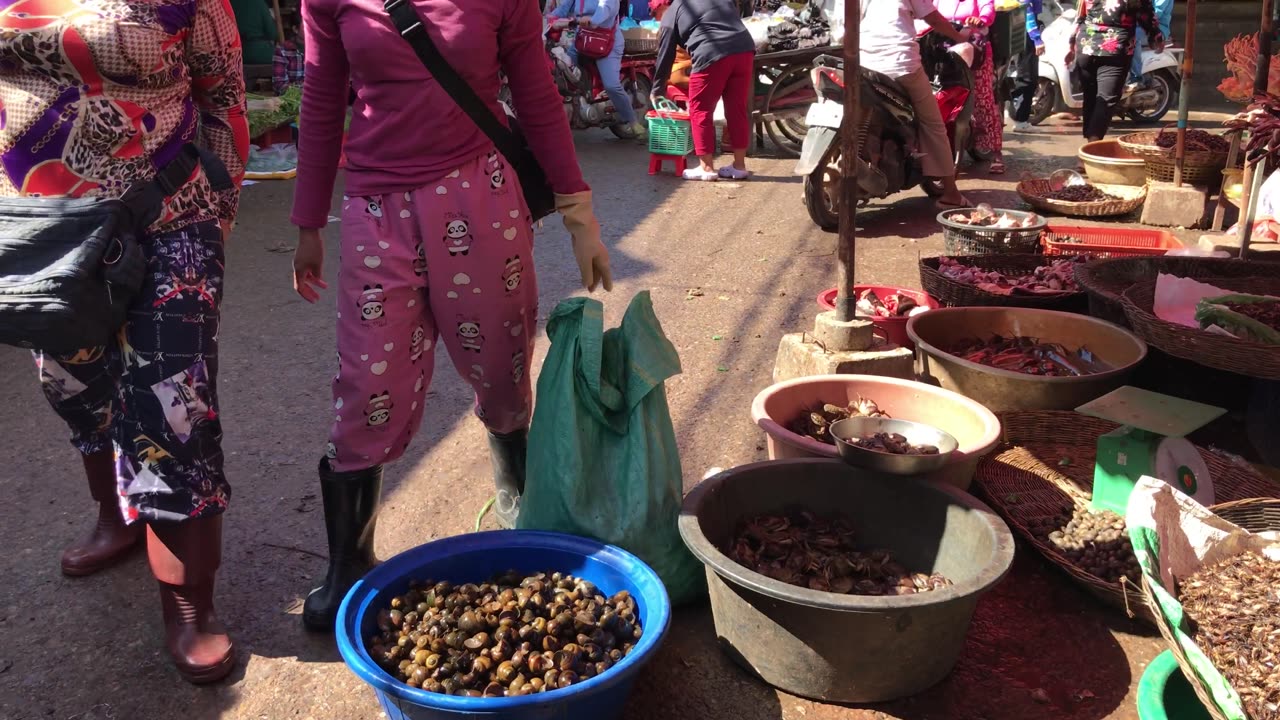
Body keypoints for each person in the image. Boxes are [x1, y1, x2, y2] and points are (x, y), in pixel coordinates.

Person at [292, 0, 613, 633]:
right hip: (375, 207)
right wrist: (307, 223)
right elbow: (322, 98)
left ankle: (518, 508)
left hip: (481, 192)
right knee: (366, 384)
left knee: (502, 362)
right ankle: (348, 565)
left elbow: (536, 92)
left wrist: (580, 214)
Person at [0, 0, 248, 684]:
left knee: (171, 402)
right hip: (39, 229)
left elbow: (222, 94)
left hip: (166, 216)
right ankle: (118, 517)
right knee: (72, 383)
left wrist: (220, 210)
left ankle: (188, 599)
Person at [860, 0, 972, 207]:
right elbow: (934, 18)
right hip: (901, 64)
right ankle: (951, 195)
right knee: (933, 124)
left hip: (863, 63)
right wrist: (960, 36)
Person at [652, 0, 756, 180]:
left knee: (700, 109)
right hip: (744, 49)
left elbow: (665, 54)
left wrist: (657, 89)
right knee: (737, 109)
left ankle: (706, 168)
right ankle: (739, 166)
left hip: (711, 52)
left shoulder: (673, 11)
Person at [1067, 0, 1162, 142]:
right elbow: (1147, 17)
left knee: (1091, 98)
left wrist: (1071, 44)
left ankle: (1089, 147)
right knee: (1106, 99)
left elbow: (1080, 16)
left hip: (1086, 45)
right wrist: (1157, 38)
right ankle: (1092, 147)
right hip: (1115, 49)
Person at [549, 0, 645, 137]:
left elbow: (604, 9)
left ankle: (633, 122)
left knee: (611, 86)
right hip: (583, 39)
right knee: (563, 68)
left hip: (606, 43)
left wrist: (592, 20)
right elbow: (563, 9)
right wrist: (545, 19)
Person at [936, 0, 1004, 174]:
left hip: (976, 51)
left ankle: (996, 153)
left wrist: (980, 20)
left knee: (983, 101)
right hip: (944, 53)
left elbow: (988, 9)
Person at [1011, 0, 1046, 131]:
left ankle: (1020, 118)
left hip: (1020, 30)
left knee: (1027, 77)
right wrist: (1036, 38)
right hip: (1025, 33)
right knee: (1027, 78)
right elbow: (1026, 10)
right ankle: (1021, 120)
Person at [1128, 0, 1172, 90]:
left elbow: (1155, 14)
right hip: (1139, 24)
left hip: (1155, 28)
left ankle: (1136, 77)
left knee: (1132, 37)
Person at [231, 0, 279, 66]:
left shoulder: (230, 3)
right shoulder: (259, 3)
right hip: (261, 52)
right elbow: (272, 34)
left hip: (237, 54)